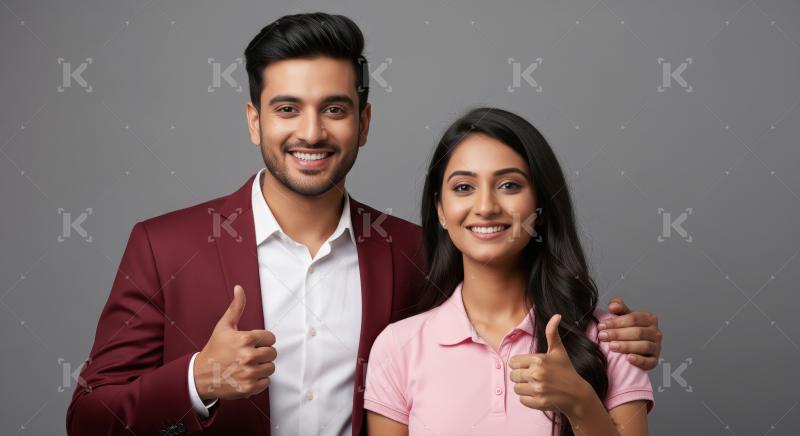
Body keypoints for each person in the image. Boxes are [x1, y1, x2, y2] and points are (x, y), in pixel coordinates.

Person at [67, 13, 662, 436]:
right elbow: (88, 418)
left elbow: (499, 306)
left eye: (335, 108)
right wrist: (198, 379)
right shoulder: (165, 247)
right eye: (286, 109)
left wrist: (612, 339)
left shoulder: (412, 251)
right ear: (254, 120)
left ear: (364, 121)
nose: (311, 132)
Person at [365, 108, 655, 435]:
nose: (486, 207)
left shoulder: (610, 338)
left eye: (508, 185)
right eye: (464, 187)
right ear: (440, 210)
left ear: (540, 207)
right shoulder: (398, 347)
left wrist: (581, 404)